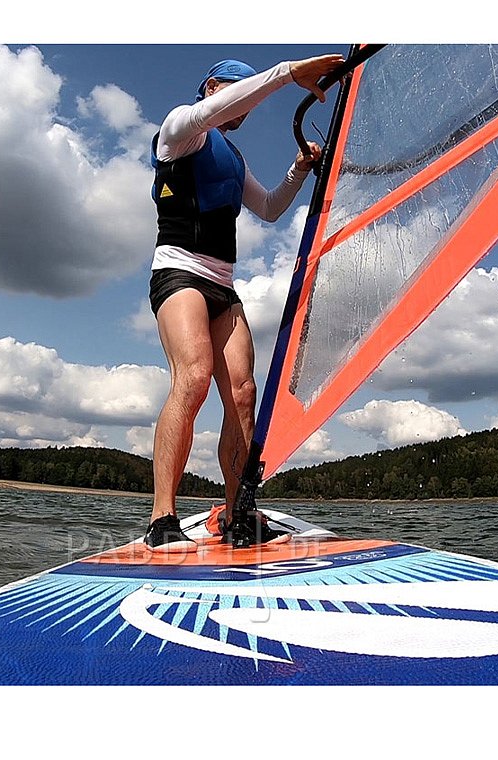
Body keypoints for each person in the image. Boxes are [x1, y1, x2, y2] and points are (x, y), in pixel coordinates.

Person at [144, 53, 345, 552]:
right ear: (212, 86)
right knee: (193, 376)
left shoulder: (234, 159)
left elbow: (272, 209)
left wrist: (299, 170)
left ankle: (237, 514)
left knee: (241, 394)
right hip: (179, 271)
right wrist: (283, 74)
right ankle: (162, 516)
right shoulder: (179, 129)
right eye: (240, 92)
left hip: (223, 284)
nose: (247, 108)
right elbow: (214, 111)